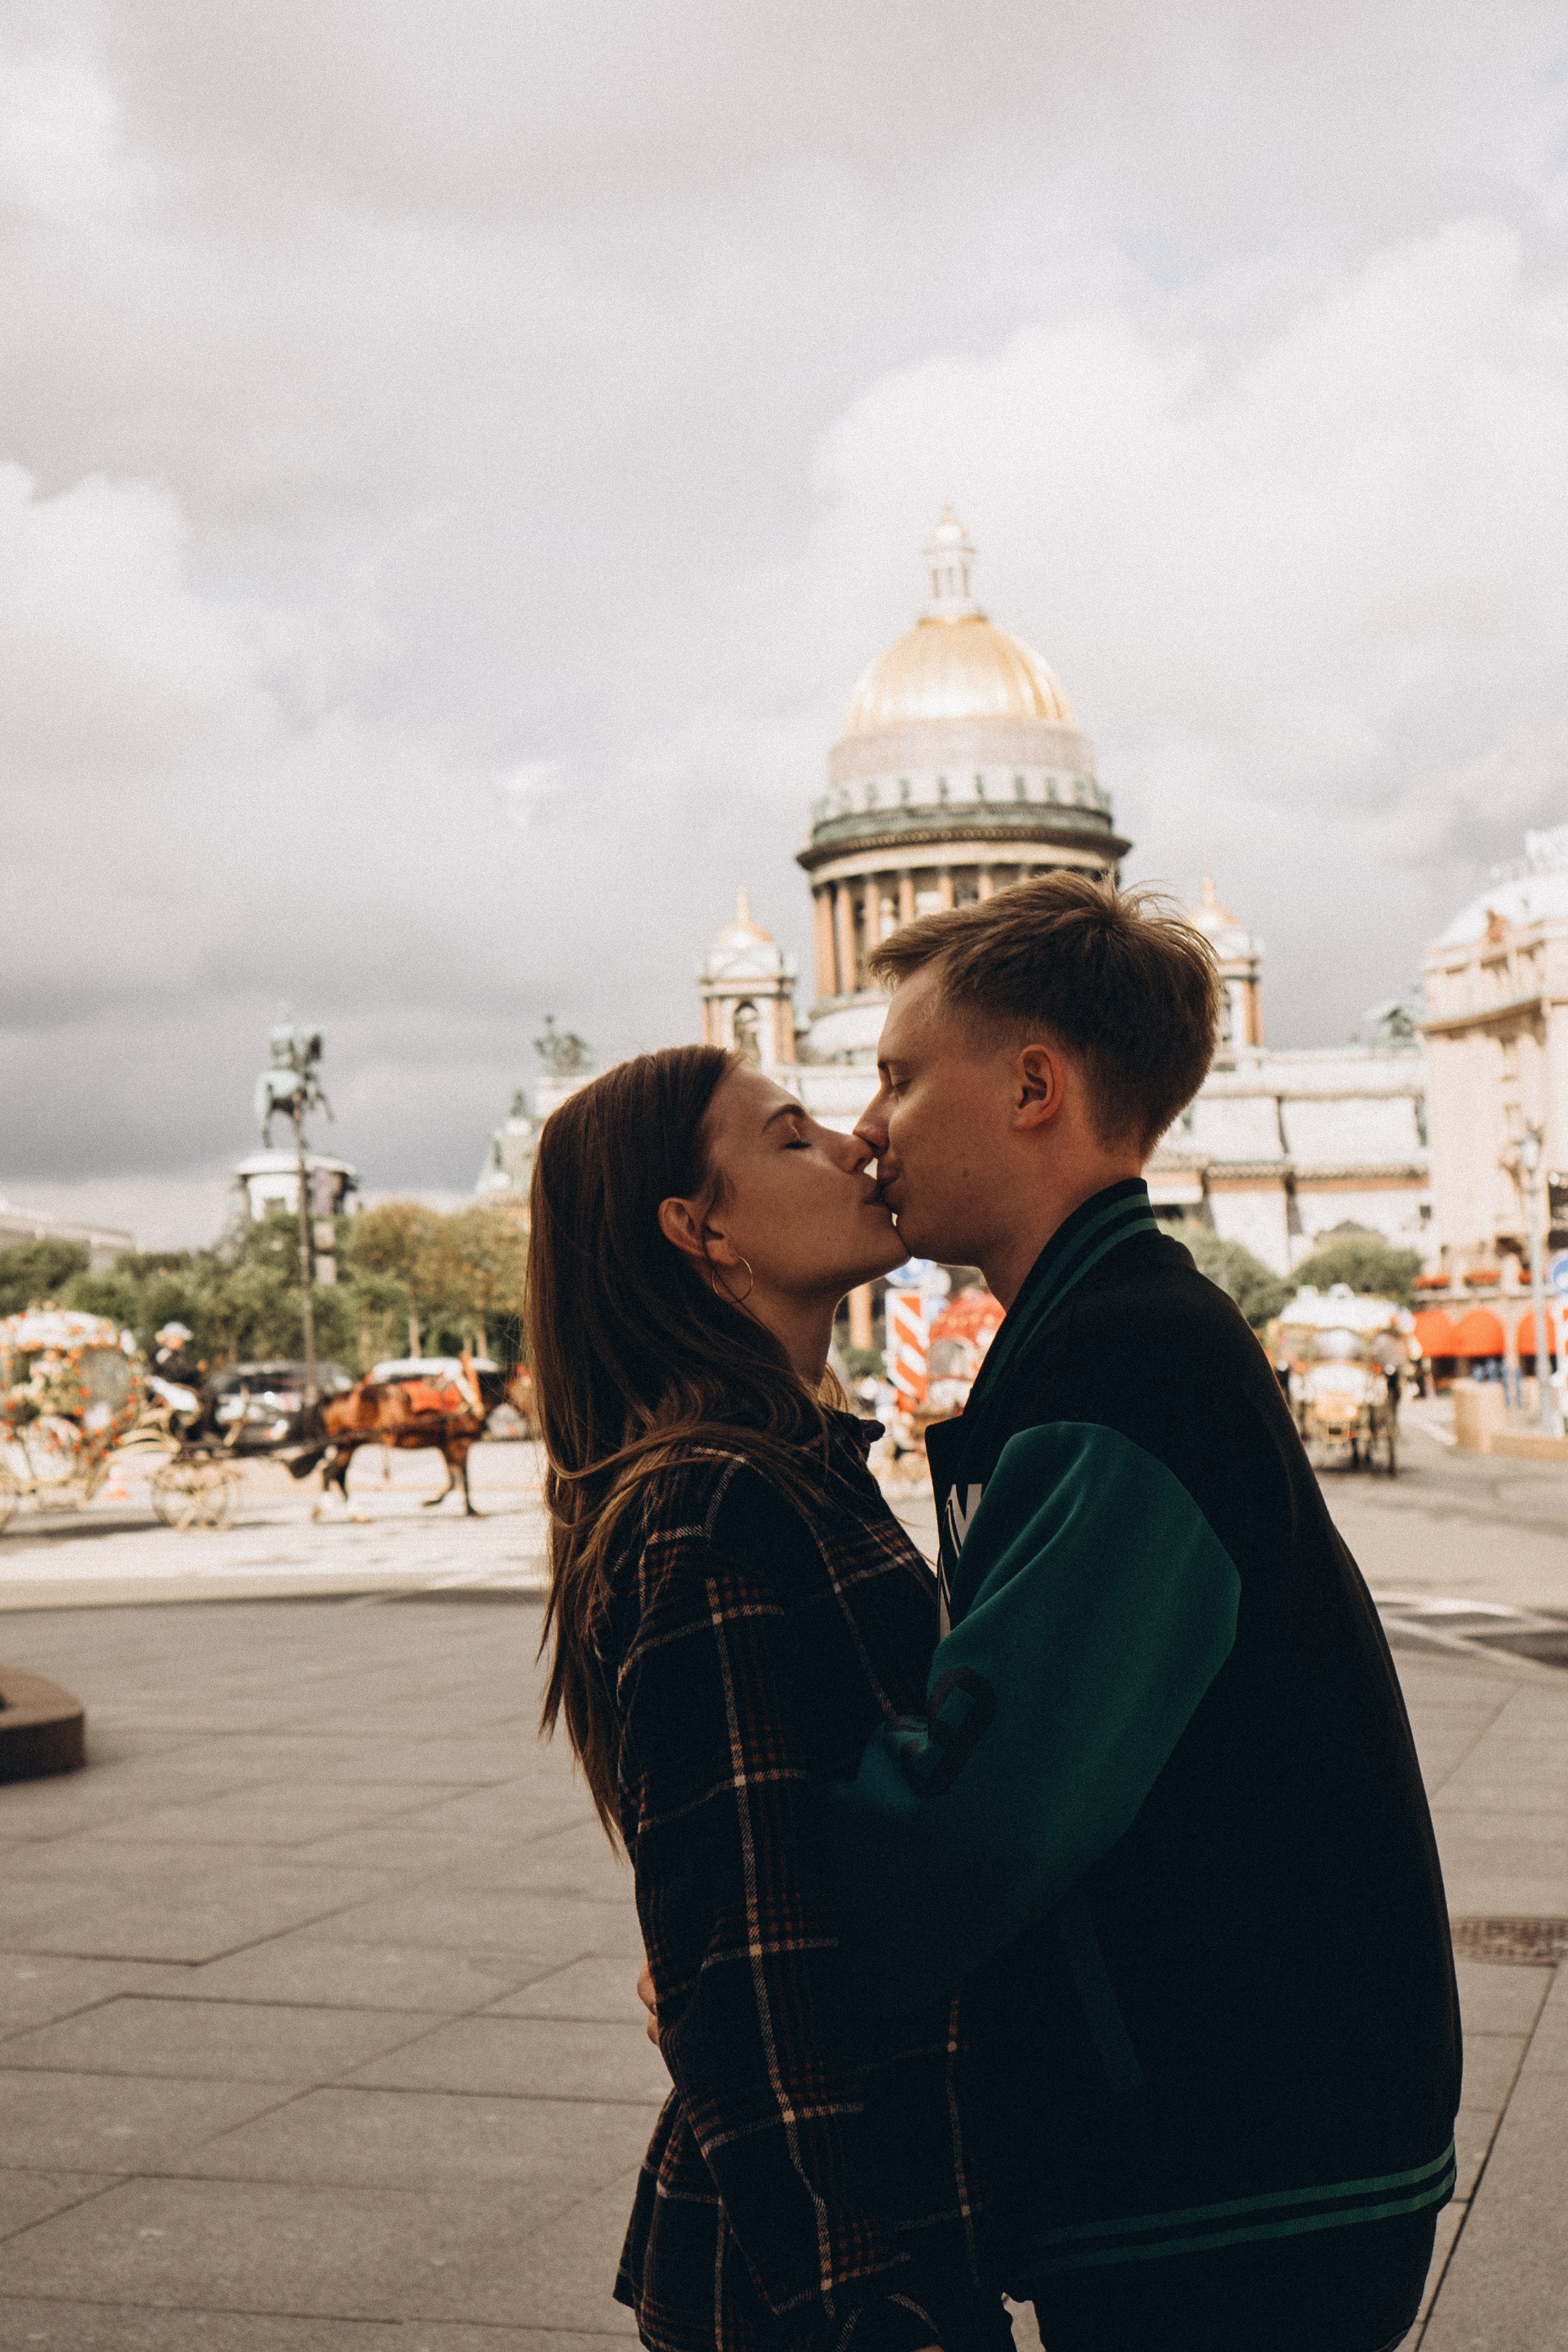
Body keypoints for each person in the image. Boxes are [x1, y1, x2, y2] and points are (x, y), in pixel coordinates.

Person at [820, 873, 1460, 2352]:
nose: (866, 1128)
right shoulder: (1114, 1334)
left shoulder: (1121, 1366)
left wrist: (765, 1935)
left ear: (1032, 1087)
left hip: (1233, 2163)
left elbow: (990, 1811)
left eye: (900, 1078)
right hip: (1245, 2132)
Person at [527, 1046, 1012, 2352]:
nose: (857, 1144)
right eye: (793, 1137)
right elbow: (742, 1946)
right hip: (831, 2264)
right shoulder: (719, 1498)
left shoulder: (787, 1466)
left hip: (853, 2218)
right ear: (702, 1231)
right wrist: (858, 2298)